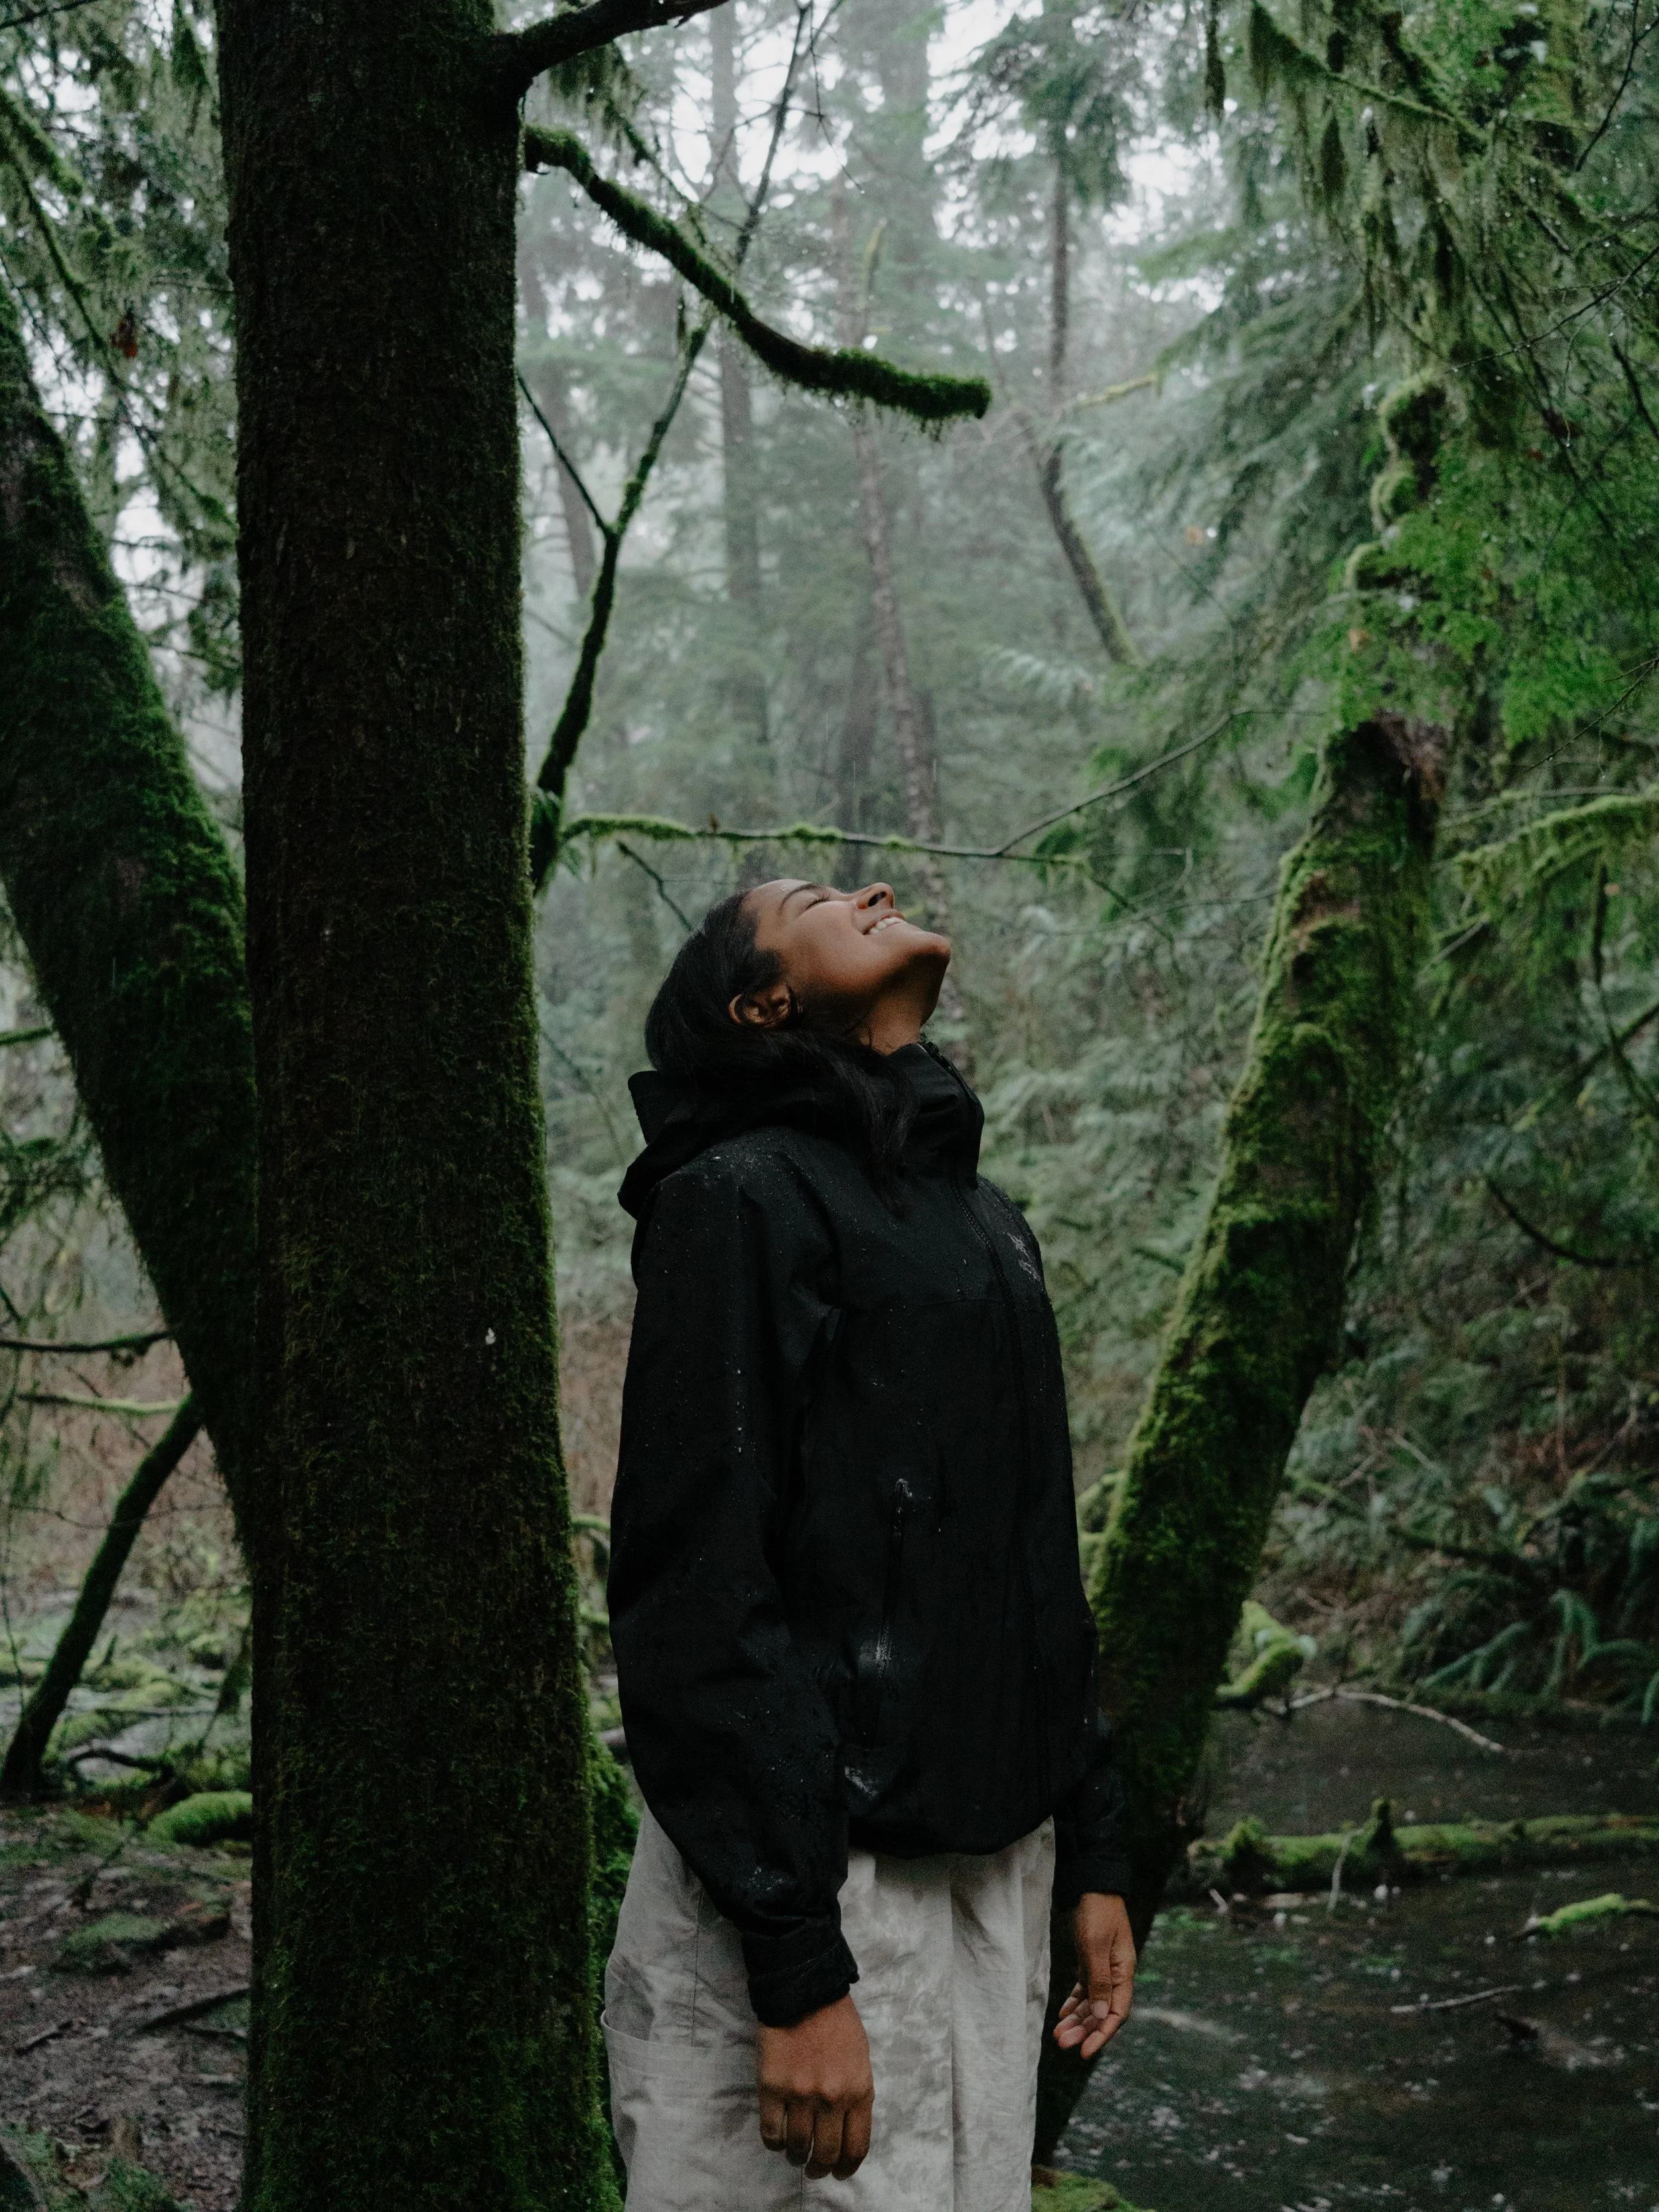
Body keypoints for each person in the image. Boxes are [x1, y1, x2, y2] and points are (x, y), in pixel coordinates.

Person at [603, 877, 1135, 2212]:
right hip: (808, 1881)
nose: (871, 892)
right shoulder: (733, 1199)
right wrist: (796, 1971)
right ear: (761, 1002)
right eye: (815, 899)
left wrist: (1095, 1854)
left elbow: (1032, 1566)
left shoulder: (982, 1220)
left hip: (987, 1870)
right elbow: (694, 1588)